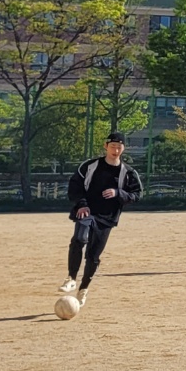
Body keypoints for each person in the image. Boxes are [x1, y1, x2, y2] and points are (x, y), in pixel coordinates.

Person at [60, 131, 142, 307]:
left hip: (107, 218)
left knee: (93, 256)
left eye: (119, 147)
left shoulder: (128, 172)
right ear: (106, 146)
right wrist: (82, 204)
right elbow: (75, 186)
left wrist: (118, 193)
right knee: (79, 239)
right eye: (112, 146)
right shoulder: (90, 166)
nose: (115, 150)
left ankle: (83, 289)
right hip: (87, 211)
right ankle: (71, 278)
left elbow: (136, 194)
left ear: (123, 148)